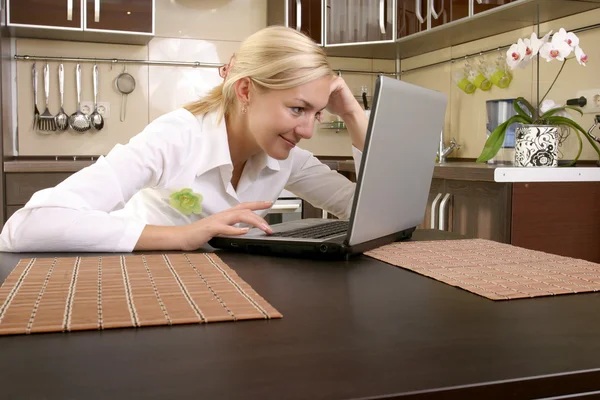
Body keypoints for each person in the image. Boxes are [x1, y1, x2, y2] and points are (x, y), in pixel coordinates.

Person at [0, 26, 368, 253]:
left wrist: (353, 115)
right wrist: (184, 235)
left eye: (317, 113)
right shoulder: (177, 136)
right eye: (297, 109)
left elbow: (368, 211)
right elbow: (28, 226)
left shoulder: (288, 156)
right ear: (245, 90)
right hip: (144, 287)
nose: (307, 131)